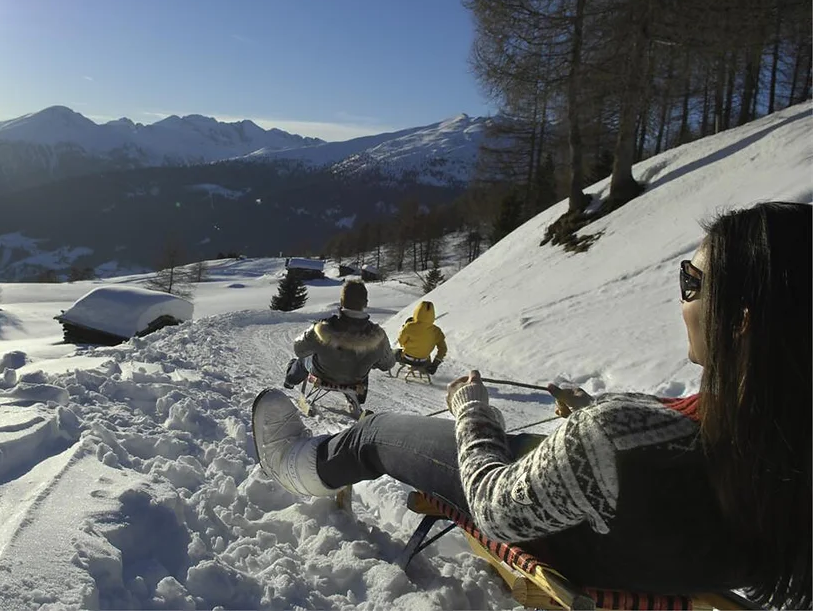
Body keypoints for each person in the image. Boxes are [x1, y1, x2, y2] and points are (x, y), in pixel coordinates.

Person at [253, 202, 811, 609]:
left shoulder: (618, 440)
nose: (682, 298)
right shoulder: (784, 460)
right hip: (604, 519)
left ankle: (299, 463)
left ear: (741, 322)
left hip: (531, 500)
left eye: (692, 283)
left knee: (374, 434)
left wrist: (472, 411)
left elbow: (496, 506)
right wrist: (600, 418)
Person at [282, 279, 396, 405]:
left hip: (322, 375)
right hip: (354, 381)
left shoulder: (323, 328)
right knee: (365, 366)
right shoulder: (378, 336)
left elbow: (299, 349)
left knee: (303, 358)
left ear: (342, 301)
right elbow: (387, 364)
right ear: (366, 303)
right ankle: (358, 398)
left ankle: (290, 380)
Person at [394, 300, 447, 375]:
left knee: (394, 352)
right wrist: (435, 364)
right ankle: (424, 370)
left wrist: (404, 329)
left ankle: (384, 365)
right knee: (426, 355)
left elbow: (401, 341)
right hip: (424, 361)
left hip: (407, 358)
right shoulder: (436, 331)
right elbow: (443, 349)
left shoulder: (409, 326)